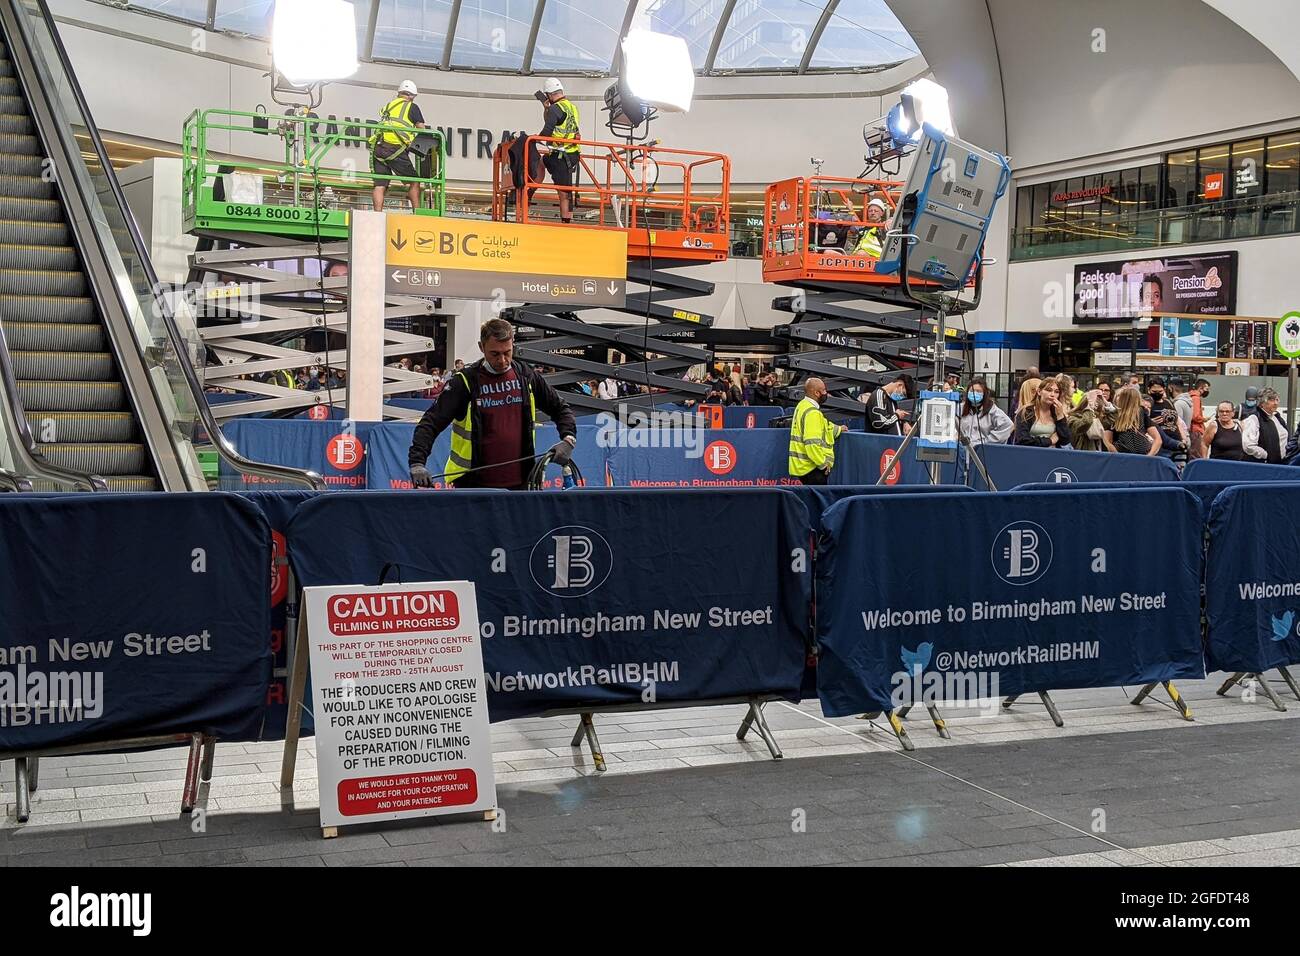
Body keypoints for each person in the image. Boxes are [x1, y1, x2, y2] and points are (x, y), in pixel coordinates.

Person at [408, 318, 576, 490]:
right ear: (481, 347)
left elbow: (560, 408)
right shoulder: (465, 382)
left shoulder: (526, 376)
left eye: (507, 353)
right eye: (495, 354)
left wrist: (568, 439)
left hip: (521, 486)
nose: (502, 360)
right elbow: (431, 423)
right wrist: (417, 463)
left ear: (513, 345)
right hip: (473, 487)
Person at [368, 80, 428, 212]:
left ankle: (377, 214)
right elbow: (421, 128)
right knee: (414, 181)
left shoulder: (389, 106)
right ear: (412, 96)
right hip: (395, 148)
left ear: (399, 93)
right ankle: (417, 213)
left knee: (380, 185)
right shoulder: (412, 107)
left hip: (378, 148)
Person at [535, 78, 580, 224]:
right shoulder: (572, 107)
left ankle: (565, 224)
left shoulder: (555, 108)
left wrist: (534, 139)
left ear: (548, 95)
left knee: (563, 193)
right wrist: (546, 108)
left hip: (561, 154)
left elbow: (547, 130)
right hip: (572, 153)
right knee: (544, 161)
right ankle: (532, 189)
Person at [788, 378, 846, 486]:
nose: (826, 393)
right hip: (813, 468)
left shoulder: (802, 405)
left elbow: (823, 425)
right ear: (816, 393)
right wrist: (823, 464)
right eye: (824, 390)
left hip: (803, 467)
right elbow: (812, 444)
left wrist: (837, 429)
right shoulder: (813, 413)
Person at [1014, 378, 1071, 448]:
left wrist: (1060, 417)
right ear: (1039, 391)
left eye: (1056, 392)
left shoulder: (1057, 412)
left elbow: (1065, 440)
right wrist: (1050, 441)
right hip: (1030, 454)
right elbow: (1022, 440)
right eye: (1048, 390)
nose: (1052, 395)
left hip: (1052, 455)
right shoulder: (1026, 411)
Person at [958, 378, 1012, 446]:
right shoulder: (960, 408)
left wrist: (986, 442)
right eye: (972, 391)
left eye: (978, 391)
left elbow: (1007, 425)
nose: (975, 394)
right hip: (963, 450)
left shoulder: (993, 410)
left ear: (984, 393)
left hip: (982, 451)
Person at [1241, 386, 1289, 464]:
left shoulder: (1277, 417)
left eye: (1277, 399)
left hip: (1280, 463)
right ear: (1262, 403)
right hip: (1264, 465)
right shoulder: (1254, 418)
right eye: (1272, 400)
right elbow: (1248, 446)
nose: (1276, 403)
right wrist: (1266, 455)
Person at [1108, 387, 1161, 456]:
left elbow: (1107, 440)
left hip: (1124, 455)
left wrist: (1117, 455)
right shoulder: (1115, 415)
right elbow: (1158, 439)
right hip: (1140, 453)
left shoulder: (1141, 413)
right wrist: (1149, 457)